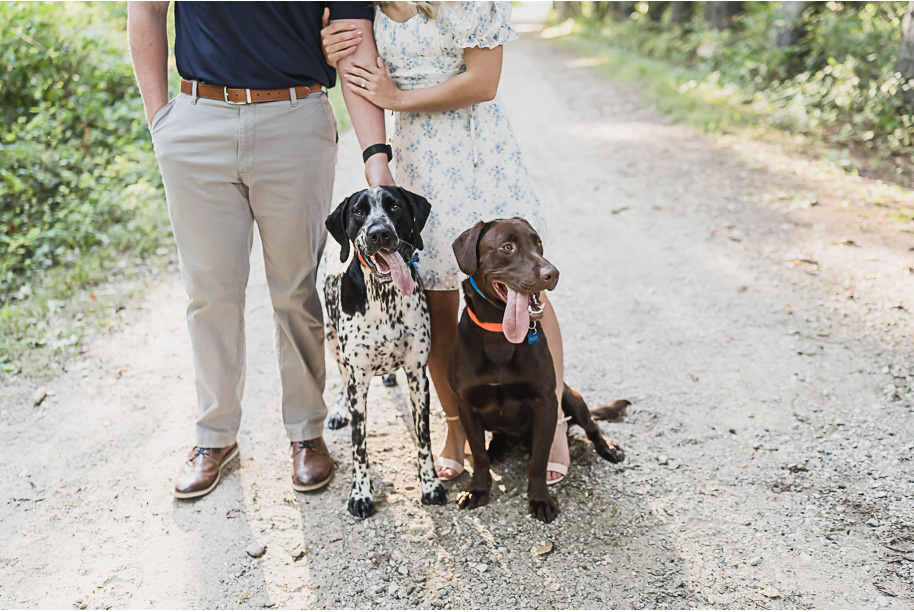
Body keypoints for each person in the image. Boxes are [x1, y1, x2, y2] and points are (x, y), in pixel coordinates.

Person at [127, 1, 394, 499]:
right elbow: (145, 8)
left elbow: (354, 36)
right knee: (209, 292)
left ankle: (306, 432)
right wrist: (158, 118)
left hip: (295, 120)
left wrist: (375, 155)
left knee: (296, 288)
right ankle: (214, 437)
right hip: (196, 121)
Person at [321, 1, 572, 484]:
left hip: (480, 151)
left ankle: (554, 419)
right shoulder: (360, 6)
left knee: (522, 286)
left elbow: (483, 82)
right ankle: (457, 424)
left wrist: (398, 99)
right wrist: (376, 158)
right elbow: (357, 79)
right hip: (418, 158)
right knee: (436, 300)